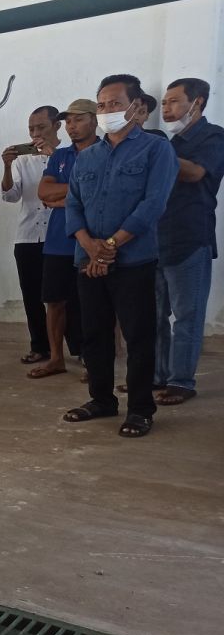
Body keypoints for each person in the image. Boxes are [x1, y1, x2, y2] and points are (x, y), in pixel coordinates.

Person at [62, 74, 178, 438]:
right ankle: (101, 400)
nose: (107, 111)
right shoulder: (88, 156)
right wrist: (89, 244)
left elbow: (153, 204)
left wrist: (110, 246)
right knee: (93, 334)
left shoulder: (156, 150)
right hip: (88, 259)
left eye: (115, 103)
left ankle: (141, 409)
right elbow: (73, 204)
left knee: (138, 335)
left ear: (135, 107)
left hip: (133, 262)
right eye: (102, 104)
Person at [154, 77, 224, 405]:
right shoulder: (172, 142)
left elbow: (196, 173)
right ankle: (156, 376)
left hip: (190, 238)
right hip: (155, 239)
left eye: (173, 102)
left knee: (186, 316)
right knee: (153, 314)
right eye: (165, 103)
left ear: (198, 103)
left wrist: (155, 149)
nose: (166, 108)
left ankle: (181, 381)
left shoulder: (213, 137)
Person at [30, 99, 98, 379]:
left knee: (93, 304)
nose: (72, 126)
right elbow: (44, 192)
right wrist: (80, 193)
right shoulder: (60, 156)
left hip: (93, 241)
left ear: (94, 120)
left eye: (78, 120)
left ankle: (94, 360)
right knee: (54, 302)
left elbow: (104, 193)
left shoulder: (107, 152)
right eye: (69, 121)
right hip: (58, 241)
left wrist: (63, 198)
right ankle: (56, 358)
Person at [1, 106, 60, 366]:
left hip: (58, 236)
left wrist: (54, 156)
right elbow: (10, 195)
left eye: (41, 128)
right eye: (31, 129)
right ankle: (40, 347)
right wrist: (6, 166)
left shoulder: (67, 156)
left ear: (56, 126)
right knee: (32, 296)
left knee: (62, 296)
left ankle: (78, 347)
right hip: (27, 236)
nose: (35, 134)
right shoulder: (23, 161)